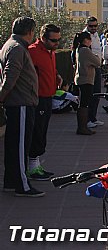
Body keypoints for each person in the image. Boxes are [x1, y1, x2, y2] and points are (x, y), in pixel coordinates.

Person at [0, 17, 43, 197]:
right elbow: (10, 78)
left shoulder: (11, 45)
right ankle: (22, 185)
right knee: (19, 147)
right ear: (30, 31)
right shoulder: (17, 48)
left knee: (13, 145)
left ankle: (11, 181)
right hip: (21, 103)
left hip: (19, 102)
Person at [27, 23, 62, 181]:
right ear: (42, 38)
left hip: (48, 96)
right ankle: (32, 167)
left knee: (42, 132)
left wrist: (56, 76)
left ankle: (36, 164)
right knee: (37, 132)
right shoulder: (33, 51)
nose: (57, 44)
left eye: (58, 40)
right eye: (53, 40)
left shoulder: (51, 51)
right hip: (37, 97)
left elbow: (48, 68)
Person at [74, 31, 100, 135]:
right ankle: (82, 127)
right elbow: (97, 62)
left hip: (82, 78)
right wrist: (96, 56)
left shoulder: (79, 49)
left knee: (83, 103)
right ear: (86, 40)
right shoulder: (85, 50)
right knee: (84, 104)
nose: (91, 42)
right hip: (86, 79)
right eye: (90, 39)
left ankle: (82, 126)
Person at [84, 17, 103, 129]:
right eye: (91, 26)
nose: (93, 28)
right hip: (90, 68)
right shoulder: (84, 36)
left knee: (96, 94)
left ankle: (93, 117)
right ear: (87, 25)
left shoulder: (96, 36)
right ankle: (87, 120)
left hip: (97, 67)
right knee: (89, 95)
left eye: (95, 26)